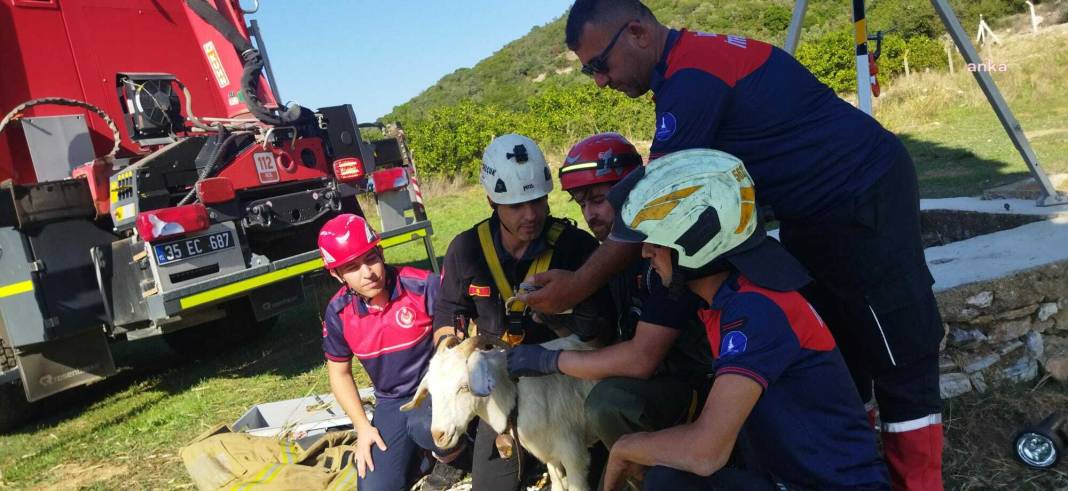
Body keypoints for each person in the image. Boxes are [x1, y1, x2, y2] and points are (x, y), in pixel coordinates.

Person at [522, 2, 946, 488]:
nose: (599, 80)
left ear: (637, 32)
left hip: (860, 198)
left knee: (900, 361)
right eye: (588, 71)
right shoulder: (686, 70)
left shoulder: (692, 81)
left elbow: (657, 205)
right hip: (811, 212)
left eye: (600, 65)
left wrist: (575, 286)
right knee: (845, 356)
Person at [598, 148, 889, 490]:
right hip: (791, 479)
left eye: (655, 242)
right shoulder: (733, 300)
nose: (646, 252)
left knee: (669, 483)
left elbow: (706, 452)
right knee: (669, 478)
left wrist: (624, 448)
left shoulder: (757, 311)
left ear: (695, 237)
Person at [431, 133, 616, 490]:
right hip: (501, 388)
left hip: (566, 389)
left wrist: (562, 316)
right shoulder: (466, 250)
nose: (531, 215)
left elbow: (605, 330)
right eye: (516, 206)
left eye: (537, 201)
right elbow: (448, 313)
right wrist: (449, 353)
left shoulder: (574, 247)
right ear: (491, 200)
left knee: (599, 472)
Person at [510, 132, 714, 456]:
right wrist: (569, 325)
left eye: (599, 199)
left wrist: (548, 359)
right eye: (581, 204)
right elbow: (612, 348)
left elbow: (640, 359)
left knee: (609, 402)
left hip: (700, 387)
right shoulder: (614, 262)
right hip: (658, 383)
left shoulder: (664, 253)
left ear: (632, 192)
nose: (590, 215)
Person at [318, 214, 464, 490]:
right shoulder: (338, 313)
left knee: (427, 429)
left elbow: (460, 338)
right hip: (390, 402)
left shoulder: (423, 286)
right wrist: (362, 427)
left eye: (371, 259)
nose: (367, 273)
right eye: (352, 267)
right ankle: (422, 458)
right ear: (336, 275)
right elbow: (339, 374)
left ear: (381, 252)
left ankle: (454, 458)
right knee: (375, 486)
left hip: (435, 390)